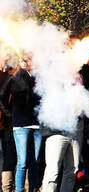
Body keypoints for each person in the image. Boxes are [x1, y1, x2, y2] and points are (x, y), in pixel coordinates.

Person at [0, 56, 42, 192]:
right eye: (26, 60)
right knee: (22, 162)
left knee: (33, 161)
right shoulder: (15, 77)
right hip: (21, 125)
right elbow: (1, 97)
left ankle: (32, 188)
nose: (28, 62)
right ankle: (19, 189)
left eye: (31, 59)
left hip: (36, 124)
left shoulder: (38, 77)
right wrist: (10, 114)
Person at [0, 53, 18, 192]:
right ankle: (6, 188)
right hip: (9, 124)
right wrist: (10, 115)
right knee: (9, 158)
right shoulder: (9, 79)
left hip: (12, 123)